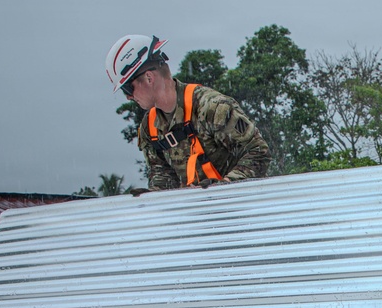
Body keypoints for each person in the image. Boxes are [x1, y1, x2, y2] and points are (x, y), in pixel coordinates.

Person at [104, 34, 271, 191]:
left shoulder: (211, 107)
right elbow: (163, 177)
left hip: (239, 208)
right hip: (194, 215)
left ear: (149, 78)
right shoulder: (150, 128)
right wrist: (152, 198)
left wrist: (225, 187)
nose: (128, 97)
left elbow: (258, 153)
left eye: (128, 88)